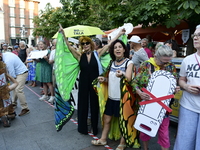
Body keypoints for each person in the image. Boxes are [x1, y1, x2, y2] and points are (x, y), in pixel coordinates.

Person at [59, 24, 125, 135]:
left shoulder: (97, 53)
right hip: (84, 82)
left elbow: (109, 44)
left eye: (87, 43)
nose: (85, 45)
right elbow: (69, 47)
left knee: (94, 104)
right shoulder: (79, 55)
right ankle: (83, 128)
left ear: (91, 44)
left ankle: (94, 128)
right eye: (83, 44)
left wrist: (119, 34)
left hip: (95, 82)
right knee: (83, 104)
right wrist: (63, 34)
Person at [131, 45, 179, 150]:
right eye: (163, 62)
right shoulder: (146, 65)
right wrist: (139, 93)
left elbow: (174, 84)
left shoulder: (171, 66)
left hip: (163, 107)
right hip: (147, 105)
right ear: (156, 56)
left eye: (168, 61)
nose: (166, 64)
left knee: (164, 134)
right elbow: (134, 82)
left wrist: (175, 88)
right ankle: (146, 148)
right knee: (144, 131)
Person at [91, 39, 134, 150]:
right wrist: (103, 79)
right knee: (107, 119)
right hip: (111, 97)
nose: (117, 49)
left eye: (120, 47)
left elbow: (129, 78)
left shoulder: (129, 63)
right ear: (113, 51)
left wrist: (123, 74)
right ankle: (103, 139)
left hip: (123, 98)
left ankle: (122, 143)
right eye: (115, 48)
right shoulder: (112, 63)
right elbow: (110, 80)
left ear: (124, 49)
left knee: (122, 121)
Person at [173, 25, 200, 150]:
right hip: (188, 106)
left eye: (199, 35)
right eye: (195, 35)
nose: (196, 38)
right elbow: (181, 80)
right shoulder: (188, 60)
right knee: (184, 142)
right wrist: (186, 87)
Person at [0, 51, 30, 116]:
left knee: (18, 89)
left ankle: (25, 108)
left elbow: (11, 74)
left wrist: (7, 83)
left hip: (21, 73)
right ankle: (14, 103)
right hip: (18, 72)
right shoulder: (5, 55)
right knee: (15, 89)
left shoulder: (8, 60)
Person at [48, 39, 57, 104]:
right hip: (55, 69)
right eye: (54, 44)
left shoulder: (66, 50)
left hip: (64, 70)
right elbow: (50, 61)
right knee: (55, 85)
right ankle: (56, 99)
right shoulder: (53, 51)